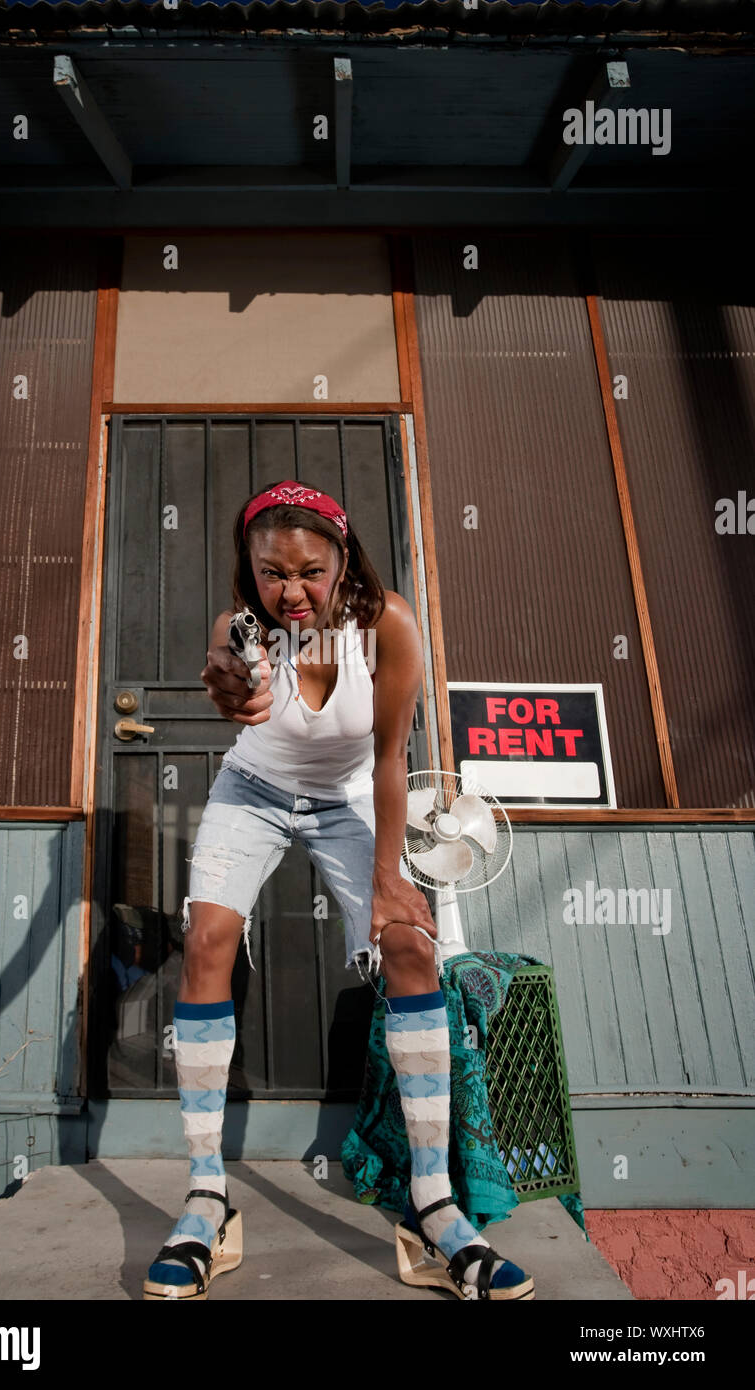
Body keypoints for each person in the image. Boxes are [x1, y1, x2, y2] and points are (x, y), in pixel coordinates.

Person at [143, 480, 534, 1302]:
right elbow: (231, 678)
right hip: (250, 794)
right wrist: (231, 680)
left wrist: (390, 880)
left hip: (352, 799)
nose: (292, 592)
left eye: (311, 572)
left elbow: (391, 756)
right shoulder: (243, 628)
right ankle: (206, 1198)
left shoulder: (386, 624)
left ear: (342, 560)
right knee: (208, 940)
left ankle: (434, 1206)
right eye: (272, 573)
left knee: (408, 947)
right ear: (250, 571)